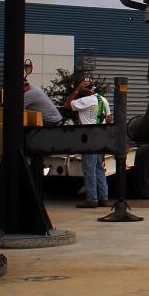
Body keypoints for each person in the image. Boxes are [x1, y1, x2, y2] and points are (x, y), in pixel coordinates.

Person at [64, 78, 113, 208]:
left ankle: (92, 199)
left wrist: (77, 89)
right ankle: (103, 198)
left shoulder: (85, 100)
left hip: (89, 138)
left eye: (83, 89)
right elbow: (109, 119)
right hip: (100, 137)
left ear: (87, 89)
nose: (81, 92)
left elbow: (67, 104)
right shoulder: (103, 100)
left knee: (89, 169)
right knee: (99, 169)